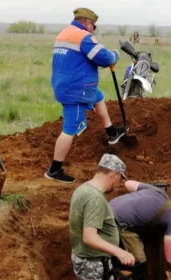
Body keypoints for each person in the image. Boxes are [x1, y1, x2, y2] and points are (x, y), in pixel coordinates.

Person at [46, 8, 126, 183]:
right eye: (93, 26)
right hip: (76, 90)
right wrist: (115, 55)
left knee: (98, 97)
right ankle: (54, 169)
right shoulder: (84, 37)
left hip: (65, 84)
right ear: (88, 23)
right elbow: (105, 58)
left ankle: (112, 133)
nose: (93, 30)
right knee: (70, 128)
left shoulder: (63, 34)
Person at [69, 154, 136, 280]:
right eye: (120, 178)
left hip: (86, 259)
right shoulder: (95, 198)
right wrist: (119, 252)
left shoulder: (83, 189)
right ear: (113, 175)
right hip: (94, 264)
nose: (119, 184)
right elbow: (89, 236)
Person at [109, 181, 171, 280]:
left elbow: (128, 183)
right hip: (118, 222)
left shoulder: (156, 191)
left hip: (106, 209)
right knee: (139, 262)